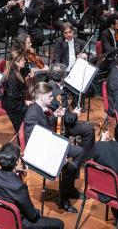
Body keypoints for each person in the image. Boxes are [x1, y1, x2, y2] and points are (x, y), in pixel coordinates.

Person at [24, 82, 93, 213]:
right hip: (40, 153)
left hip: (49, 144)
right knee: (70, 165)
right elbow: (35, 142)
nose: (52, 98)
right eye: (50, 96)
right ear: (41, 96)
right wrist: (58, 154)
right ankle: (64, 198)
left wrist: (55, 115)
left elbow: (44, 126)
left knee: (79, 151)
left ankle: (69, 186)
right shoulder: (32, 113)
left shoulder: (39, 108)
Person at [1, 50, 32, 134]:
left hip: (17, 102)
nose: (25, 61)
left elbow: (18, 89)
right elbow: (13, 95)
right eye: (22, 60)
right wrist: (26, 103)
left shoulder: (18, 71)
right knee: (33, 112)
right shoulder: (12, 77)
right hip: (14, 108)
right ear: (16, 62)